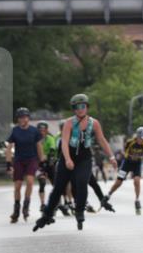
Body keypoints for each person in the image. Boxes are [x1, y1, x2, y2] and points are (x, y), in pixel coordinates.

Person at [34, 94, 116, 232]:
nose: (80, 109)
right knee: (58, 188)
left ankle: (79, 210)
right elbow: (64, 142)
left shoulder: (94, 123)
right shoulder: (69, 123)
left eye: (83, 106)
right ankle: (46, 215)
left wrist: (112, 157)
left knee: (82, 181)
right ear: (74, 109)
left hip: (84, 158)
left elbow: (102, 140)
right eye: (77, 107)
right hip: (68, 158)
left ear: (87, 107)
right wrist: (67, 159)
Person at [5, 107, 45, 223]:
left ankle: (26, 206)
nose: (23, 119)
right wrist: (8, 164)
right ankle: (16, 210)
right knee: (17, 186)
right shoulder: (15, 131)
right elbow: (9, 148)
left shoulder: (34, 131)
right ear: (18, 119)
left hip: (31, 160)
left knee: (30, 182)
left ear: (28, 118)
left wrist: (42, 162)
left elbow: (39, 147)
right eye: (21, 117)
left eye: (25, 117)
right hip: (18, 160)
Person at [107, 126, 143, 215]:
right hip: (127, 163)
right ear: (137, 136)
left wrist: (138, 157)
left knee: (137, 181)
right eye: (140, 138)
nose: (141, 141)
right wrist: (131, 156)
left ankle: (137, 200)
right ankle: (109, 194)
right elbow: (125, 152)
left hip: (136, 164)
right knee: (119, 182)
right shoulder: (130, 142)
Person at [36, 121, 58, 209]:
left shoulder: (50, 138)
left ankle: (56, 202)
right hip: (39, 164)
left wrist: (48, 157)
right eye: (40, 130)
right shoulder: (34, 139)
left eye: (44, 130)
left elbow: (52, 149)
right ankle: (42, 204)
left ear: (46, 130)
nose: (42, 132)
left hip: (49, 163)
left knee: (55, 184)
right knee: (42, 183)